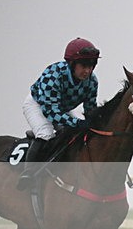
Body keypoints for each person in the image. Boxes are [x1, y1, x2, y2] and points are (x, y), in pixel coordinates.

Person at [17, 37, 100, 190]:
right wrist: (76, 123)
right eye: (83, 66)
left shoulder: (92, 81)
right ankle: (27, 173)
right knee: (46, 133)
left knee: (75, 132)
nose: (87, 71)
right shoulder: (53, 75)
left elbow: (90, 109)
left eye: (91, 66)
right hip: (38, 104)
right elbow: (51, 112)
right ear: (71, 63)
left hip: (61, 107)